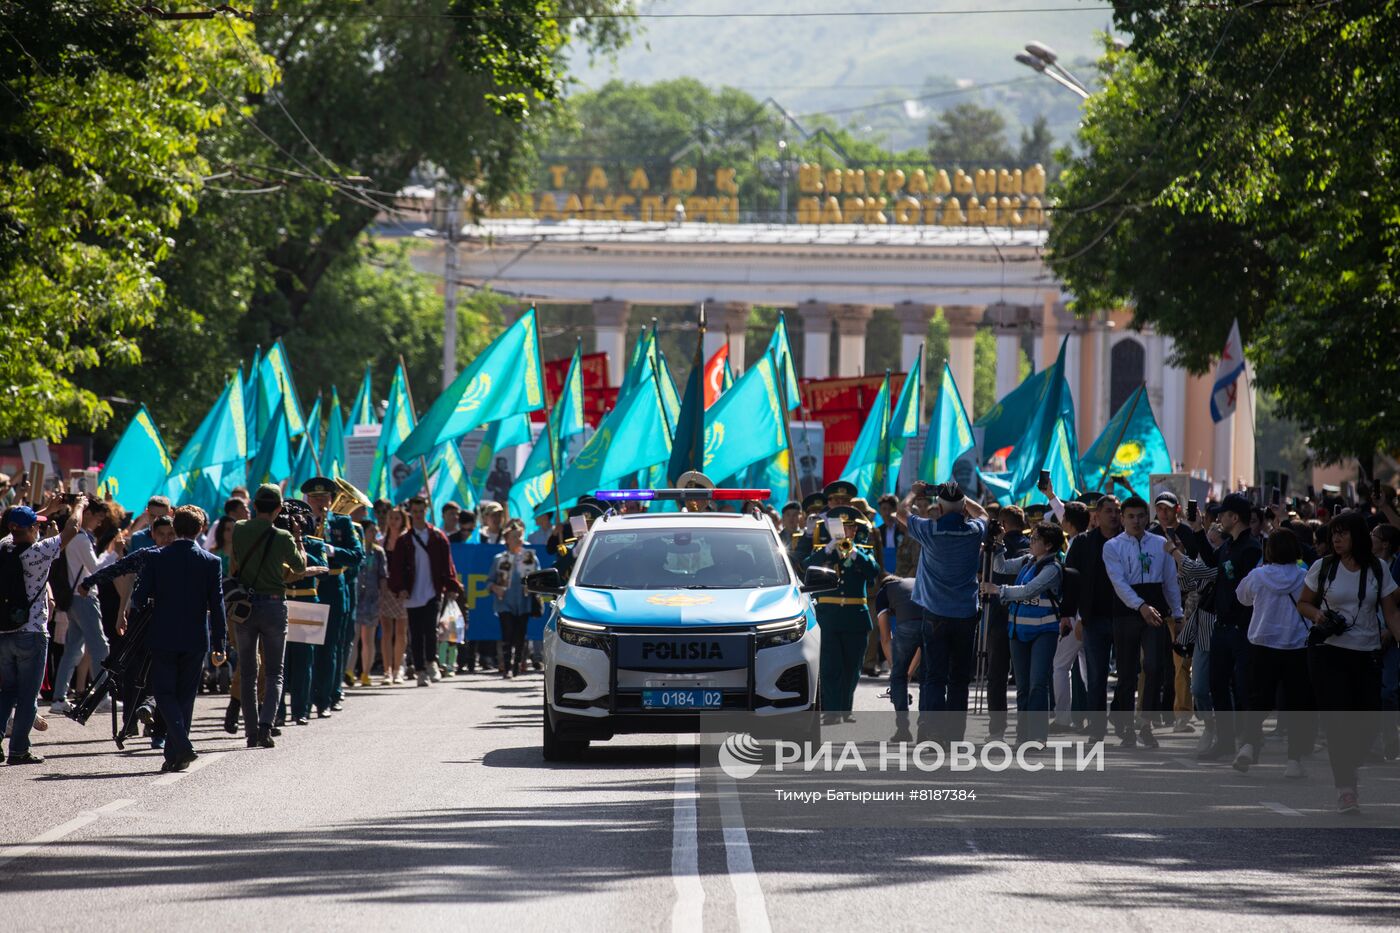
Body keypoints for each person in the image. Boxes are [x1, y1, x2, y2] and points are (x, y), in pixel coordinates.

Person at [1297, 510, 1400, 814]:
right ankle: (1346, 788)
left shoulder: (1378, 569)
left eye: (1343, 533)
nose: (1337, 539)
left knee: (1367, 722)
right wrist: (1319, 615)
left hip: (1366, 653)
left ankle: (1349, 765)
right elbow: (1303, 602)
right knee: (1338, 721)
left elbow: (1392, 612)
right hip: (1329, 653)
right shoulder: (1323, 566)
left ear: (1358, 535)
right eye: (1333, 533)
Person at [129, 506, 225, 772]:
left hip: (163, 633)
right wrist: (220, 643)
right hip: (195, 636)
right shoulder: (211, 561)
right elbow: (217, 606)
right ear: (200, 530)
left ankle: (180, 749)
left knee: (163, 692)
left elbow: (139, 598)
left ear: (175, 528)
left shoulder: (157, 557)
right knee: (185, 697)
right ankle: (176, 752)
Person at [896, 481, 989, 743]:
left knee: (935, 675)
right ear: (962, 510)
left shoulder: (930, 529)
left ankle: (935, 730)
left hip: (935, 613)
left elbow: (901, 512)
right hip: (965, 615)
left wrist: (915, 491)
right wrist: (962, 495)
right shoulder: (973, 531)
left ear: (938, 508)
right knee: (959, 678)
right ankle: (954, 733)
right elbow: (983, 514)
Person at [0, 496, 84, 765]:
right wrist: (79, 506)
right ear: (32, 529)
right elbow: (72, 529)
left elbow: (15, 525)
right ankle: (19, 749)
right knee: (27, 695)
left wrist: (45, 510)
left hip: (3, 632)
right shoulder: (38, 552)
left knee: (7, 691)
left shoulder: (3, 546)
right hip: (32, 631)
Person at [1231, 527, 1315, 777]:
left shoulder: (1258, 576)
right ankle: (1294, 761)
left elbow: (1242, 598)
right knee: (1297, 704)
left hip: (1262, 644)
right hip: (1296, 646)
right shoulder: (1304, 576)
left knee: (1258, 699)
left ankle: (1248, 744)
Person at [1102, 496, 1183, 748]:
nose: (1136, 521)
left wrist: (1178, 614)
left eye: (1140, 516)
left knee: (1154, 666)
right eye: (1131, 516)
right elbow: (1119, 583)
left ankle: (1146, 723)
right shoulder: (1113, 546)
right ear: (1123, 518)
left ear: (1148, 518)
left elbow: (1170, 582)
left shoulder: (1161, 544)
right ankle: (1124, 724)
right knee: (1127, 672)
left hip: (1156, 611)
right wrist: (1140, 606)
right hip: (1127, 613)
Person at [230, 484, 308, 746]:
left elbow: (235, 564)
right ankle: (266, 726)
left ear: (254, 506)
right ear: (278, 508)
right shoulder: (284, 536)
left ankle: (251, 732)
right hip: (275, 605)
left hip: (246, 606)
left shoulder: (239, 529)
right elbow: (300, 567)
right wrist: (298, 537)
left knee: (249, 672)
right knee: (275, 673)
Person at [982, 521, 1067, 746]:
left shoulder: (1053, 568)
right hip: (1018, 630)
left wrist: (998, 590)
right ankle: (1023, 734)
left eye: (1036, 539)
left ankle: (1037, 735)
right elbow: (1001, 568)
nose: (1031, 542)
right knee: (1022, 686)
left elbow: (1029, 590)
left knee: (1037, 683)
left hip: (1043, 631)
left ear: (1048, 546)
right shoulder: (1028, 560)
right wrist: (998, 544)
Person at [1198, 493, 1262, 760]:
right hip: (1221, 627)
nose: (1219, 519)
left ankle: (1250, 742)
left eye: (1223, 514)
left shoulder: (1252, 550)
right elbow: (1212, 565)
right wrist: (1195, 533)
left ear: (1234, 517)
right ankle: (1224, 741)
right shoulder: (1226, 546)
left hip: (1243, 628)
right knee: (1217, 684)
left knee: (1245, 687)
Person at [804, 505, 881, 721]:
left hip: (855, 617)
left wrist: (854, 552)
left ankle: (845, 709)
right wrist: (828, 549)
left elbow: (874, 571)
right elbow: (806, 566)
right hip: (829, 617)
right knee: (830, 666)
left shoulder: (864, 551)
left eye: (851, 528)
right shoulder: (823, 551)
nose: (848, 532)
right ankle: (831, 710)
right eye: (843, 528)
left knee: (852, 667)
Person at [301, 477, 364, 717]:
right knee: (306, 648)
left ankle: (325, 699)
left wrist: (333, 550)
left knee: (330, 647)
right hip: (307, 587)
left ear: (331, 498)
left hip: (333, 587)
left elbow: (357, 555)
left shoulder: (342, 521)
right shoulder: (299, 522)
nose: (319, 502)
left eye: (324, 497)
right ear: (307, 499)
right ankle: (303, 702)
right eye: (315, 498)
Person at [1064, 495, 1122, 746]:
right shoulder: (1083, 543)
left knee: (1128, 676)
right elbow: (1071, 582)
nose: (1114, 515)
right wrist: (1072, 616)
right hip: (1093, 619)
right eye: (1108, 511)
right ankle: (1097, 728)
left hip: (1125, 618)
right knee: (1096, 675)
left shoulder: (1128, 541)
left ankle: (1122, 721)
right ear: (1096, 515)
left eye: (1117, 511)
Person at [50, 499, 115, 713]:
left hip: (74, 598)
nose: (99, 522)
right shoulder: (81, 539)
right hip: (85, 597)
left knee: (72, 650)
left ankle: (59, 698)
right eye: (98, 517)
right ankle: (102, 697)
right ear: (87, 514)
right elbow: (96, 568)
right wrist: (113, 553)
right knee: (99, 647)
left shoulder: (77, 538)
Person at [389, 496, 462, 687]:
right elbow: (396, 567)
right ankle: (420, 670)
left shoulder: (438, 537)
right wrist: (401, 588)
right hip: (412, 594)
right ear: (410, 513)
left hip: (432, 591)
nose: (419, 515)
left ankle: (431, 662)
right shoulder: (404, 540)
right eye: (415, 512)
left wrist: (451, 586)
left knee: (431, 629)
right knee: (416, 632)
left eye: (421, 511)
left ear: (426, 511)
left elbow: (447, 564)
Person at [983, 505, 1028, 743]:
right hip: (1027, 615)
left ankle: (997, 730)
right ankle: (1026, 731)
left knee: (997, 675)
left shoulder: (994, 547)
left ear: (1004, 524)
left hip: (999, 614)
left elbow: (984, 574)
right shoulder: (1034, 544)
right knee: (1025, 676)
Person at [1051, 500, 1090, 732]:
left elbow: (1076, 586)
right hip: (1084, 617)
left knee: (1060, 665)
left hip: (1078, 617)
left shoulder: (1077, 546)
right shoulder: (1082, 542)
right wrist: (1051, 496)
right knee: (1087, 669)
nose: (1060, 520)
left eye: (1064, 518)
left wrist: (1074, 617)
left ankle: (1063, 718)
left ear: (1070, 523)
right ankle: (1093, 718)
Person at [489, 519, 538, 679]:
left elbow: (539, 577)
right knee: (507, 632)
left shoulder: (529, 558)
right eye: (514, 536)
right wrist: (495, 587)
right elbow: (489, 580)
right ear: (507, 539)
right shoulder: (499, 559)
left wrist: (531, 585)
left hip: (523, 602)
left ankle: (517, 664)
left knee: (520, 634)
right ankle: (507, 667)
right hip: (505, 603)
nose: (518, 539)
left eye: (520, 536)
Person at [876, 574, 922, 741]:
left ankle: (903, 730)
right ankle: (927, 730)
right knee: (930, 678)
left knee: (898, 677)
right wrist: (910, 672)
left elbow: (885, 637)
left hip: (908, 626)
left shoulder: (883, 593)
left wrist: (898, 671)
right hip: (933, 621)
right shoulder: (917, 582)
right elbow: (921, 650)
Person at [1373, 523, 1400, 760]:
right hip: (1369, 635)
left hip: (1391, 637)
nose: (1370, 538)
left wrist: (1391, 633)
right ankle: (1374, 741)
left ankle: (1390, 736)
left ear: (1386, 543)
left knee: (1389, 690)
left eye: (1375, 536)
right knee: (1372, 690)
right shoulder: (1365, 567)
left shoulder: (1396, 567)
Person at [354, 515, 386, 687]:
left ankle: (366, 672)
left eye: (375, 530)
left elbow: (383, 576)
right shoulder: (356, 549)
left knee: (369, 638)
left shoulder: (378, 552)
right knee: (354, 636)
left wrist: (382, 597)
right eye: (371, 530)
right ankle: (349, 671)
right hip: (357, 598)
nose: (374, 533)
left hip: (372, 600)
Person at [379, 505, 409, 682]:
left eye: (397, 518)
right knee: (386, 631)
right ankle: (387, 670)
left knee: (401, 631)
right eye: (391, 517)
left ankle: (398, 669)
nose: (393, 521)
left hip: (402, 592)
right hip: (385, 591)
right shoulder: (382, 541)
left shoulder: (407, 541)